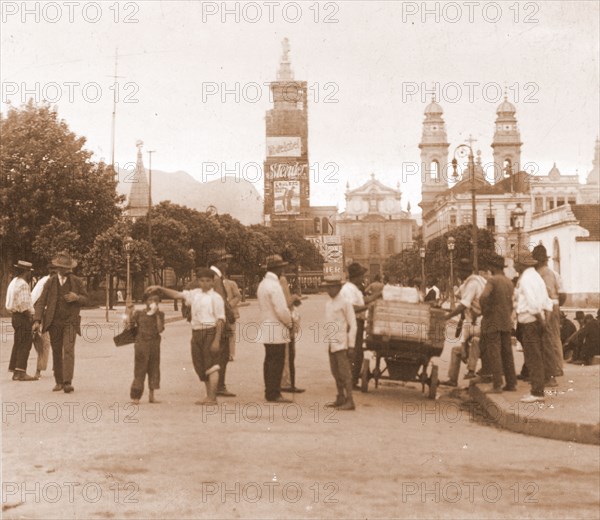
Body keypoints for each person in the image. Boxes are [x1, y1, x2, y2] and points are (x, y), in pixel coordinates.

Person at [152, 268, 225, 405]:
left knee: (212, 366)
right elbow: (177, 295)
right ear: (198, 281)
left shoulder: (216, 298)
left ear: (213, 282)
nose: (204, 284)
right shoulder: (195, 294)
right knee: (200, 365)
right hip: (196, 331)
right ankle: (208, 395)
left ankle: (213, 397)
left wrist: (216, 340)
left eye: (208, 281)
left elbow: (220, 320)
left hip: (210, 330)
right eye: (202, 281)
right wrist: (160, 288)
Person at [33, 252, 88, 393]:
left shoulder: (76, 281)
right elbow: (40, 302)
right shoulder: (50, 282)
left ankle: (67, 382)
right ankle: (59, 381)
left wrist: (77, 297)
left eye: (67, 268)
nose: (66, 271)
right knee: (57, 351)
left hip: (71, 321)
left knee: (69, 350)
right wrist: (37, 320)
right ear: (57, 268)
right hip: (54, 322)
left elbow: (86, 299)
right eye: (62, 268)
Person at [514, 251, 554, 403]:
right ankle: (537, 390)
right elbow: (547, 303)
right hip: (537, 320)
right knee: (538, 356)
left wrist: (540, 320)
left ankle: (537, 392)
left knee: (533, 358)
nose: (515, 265)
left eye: (516, 262)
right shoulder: (537, 277)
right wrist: (545, 322)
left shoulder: (525, 279)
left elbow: (533, 304)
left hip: (529, 321)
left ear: (522, 264)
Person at [440, 259, 487, 387]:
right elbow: (460, 296)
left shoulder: (472, 284)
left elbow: (463, 304)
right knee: (457, 350)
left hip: (480, 322)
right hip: (478, 321)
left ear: (461, 272)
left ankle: (471, 370)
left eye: (459, 271)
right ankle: (453, 379)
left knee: (473, 340)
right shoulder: (477, 280)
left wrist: (447, 316)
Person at [257, 255, 293, 403]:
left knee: (269, 360)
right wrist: (290, 323)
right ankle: (274, 393)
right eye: (281, 267)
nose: (283, 270)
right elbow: (281, 309)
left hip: (267, 326)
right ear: (277, 269)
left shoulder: (263, 284)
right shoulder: (274, 286)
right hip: (277, 327)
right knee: (277, 361)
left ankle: (269, 391)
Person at [479, 255, 517, 393]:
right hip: (506, 321)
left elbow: (483, 297)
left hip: (492, 321)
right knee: (507, 353)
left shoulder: (492, 280)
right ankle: (511, 383)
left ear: (493, 267)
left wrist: (485, 311)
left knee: (494, 353)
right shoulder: (509, 282)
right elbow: (511, 303)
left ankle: (497, 385)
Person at [341, 262, 382, 388]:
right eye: (361, 276)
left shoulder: (356, 288)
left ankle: (352, 380)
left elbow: (364, 300)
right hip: (351, 323)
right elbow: (351, 308)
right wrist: (367, 307)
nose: (363, 278)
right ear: (356, 277)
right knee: (354, 352)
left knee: (357, 352)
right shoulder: (348, 289)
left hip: (357, 322)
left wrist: (378, 295)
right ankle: (350, 381)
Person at [322, 276, 357, 410]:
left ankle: (350, 400)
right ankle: (340, 396)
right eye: (328, 288)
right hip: (332, 343)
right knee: (335, 372)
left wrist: (351, 345)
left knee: (345, 373)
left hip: (342, 344)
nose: (329, 290)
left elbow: (353, 325)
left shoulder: (345, 303)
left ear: (339, 288)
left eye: (332, 287)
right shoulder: (328, 304)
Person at [532, 244, 565, 385]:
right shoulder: (550, 273)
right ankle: (557, 367)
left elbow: (545, 295)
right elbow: (562, 294)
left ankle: (553, 371)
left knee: (548, 339)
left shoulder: (542, 273)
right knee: (554, 337)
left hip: (547, 307)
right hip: (553, 306)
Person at [208, 249, 237, 397]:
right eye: (224, 261)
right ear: (218, 262)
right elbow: (221, 301)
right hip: (219, 321)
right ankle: (220, 385)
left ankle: (216, 385)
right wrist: (230, 316)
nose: (227, 264)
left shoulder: (210, 276)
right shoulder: (217, 279)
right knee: (222, 355)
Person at [128, 289, 165, 404]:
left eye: (155, 300)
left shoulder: (160, 314)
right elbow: (129, 326)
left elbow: (160, 329)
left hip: (154, 344)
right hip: (141, 344)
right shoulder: (139, 313)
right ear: (145, 302)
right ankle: (136, 396)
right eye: (150, 300)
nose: (153, 302)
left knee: (154, 368)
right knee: (140, 369)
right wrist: (129, 312)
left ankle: (151, 395)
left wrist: (157, 315)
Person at [6, 260, 37, 381]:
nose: (30, 274)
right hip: (23, 316)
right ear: (26, 272)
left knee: (18, 343)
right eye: (29, 272)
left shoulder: (14, 282)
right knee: (25, 343)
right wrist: (31, 318)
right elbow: (24, 305)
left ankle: (15, 370)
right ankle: (21, 372)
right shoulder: (23, 284)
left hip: (15, 316)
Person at [279, 273, 304, 394]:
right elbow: (286, 303)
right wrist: (294, 298)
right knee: (289, 354)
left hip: (285, 322)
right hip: (287, 322)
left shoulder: (280, 279)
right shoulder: (282, 279)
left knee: (287, 354)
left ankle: (287, 382)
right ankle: (288, 383)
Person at [30, 264, 55, 379]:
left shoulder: (62, 282)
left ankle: (57, 368)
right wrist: (37, 319)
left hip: (56, 315)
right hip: (44, 314)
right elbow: (37, 300)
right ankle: (39, 370)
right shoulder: (45, 282)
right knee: (44, 342)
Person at [223, 275, 242, 362]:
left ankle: (231, 354)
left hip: (230, 313)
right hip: (219, 313)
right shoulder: (213, 284)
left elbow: (238, 296)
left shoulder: (231, 284)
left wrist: (229, 305)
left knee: (231, 333)